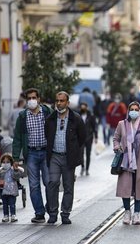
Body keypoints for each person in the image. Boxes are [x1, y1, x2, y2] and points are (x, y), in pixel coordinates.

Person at [45, 91, 86, 224]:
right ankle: (52, 212)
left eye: (62, 101)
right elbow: (47, 135)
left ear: (67, 103)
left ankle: (65, 213)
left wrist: (74, 152)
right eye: (57, 100)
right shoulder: (51, 119)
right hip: (54, 156)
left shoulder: (76, 118)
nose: (59, 103)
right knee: (52, 183)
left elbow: (82, 137)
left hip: (69, 158)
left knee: (68, 186)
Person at [113, 101, 140, 225]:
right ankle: (127, 212)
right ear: (128, 111)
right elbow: (116, 138)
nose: (134, 111)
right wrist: (117, 147)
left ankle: (136, 213)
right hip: (125, 162)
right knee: (125, 188)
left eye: (136, 109)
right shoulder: (122, 124)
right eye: (131, 109)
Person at [12, 88, 52, 224]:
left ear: (39, 99)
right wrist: (16, 158)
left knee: (48, 182)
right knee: (34, 185)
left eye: (33, 98)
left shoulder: (47, 112)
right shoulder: (22, 117)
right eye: (29, 98)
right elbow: (17, 138)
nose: (31, 101)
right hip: (32, 154)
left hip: (46, 152)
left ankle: (51, 209)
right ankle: (39, 213)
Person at [0, 153, 25, 223]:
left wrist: (16, 170)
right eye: (3, 162)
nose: (5, 164)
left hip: (12, 190)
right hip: (3, 190)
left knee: (12, 204)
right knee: (5, 204)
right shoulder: (1, 171)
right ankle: (5, 215)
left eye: (7, 162)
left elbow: (16, 177)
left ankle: (13, 215)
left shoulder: (13, 170)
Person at [79, 102, 98, 176]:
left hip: (89, 137)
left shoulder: (91, 116)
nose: (82, 108)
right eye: (81, 107)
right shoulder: (78, 115)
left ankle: (87, 169)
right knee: (80, 154)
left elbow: (94, 127)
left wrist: (96, 137)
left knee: (88, 154)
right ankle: (82, 167)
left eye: (84, 107)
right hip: (80, 138)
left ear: (86, 107)